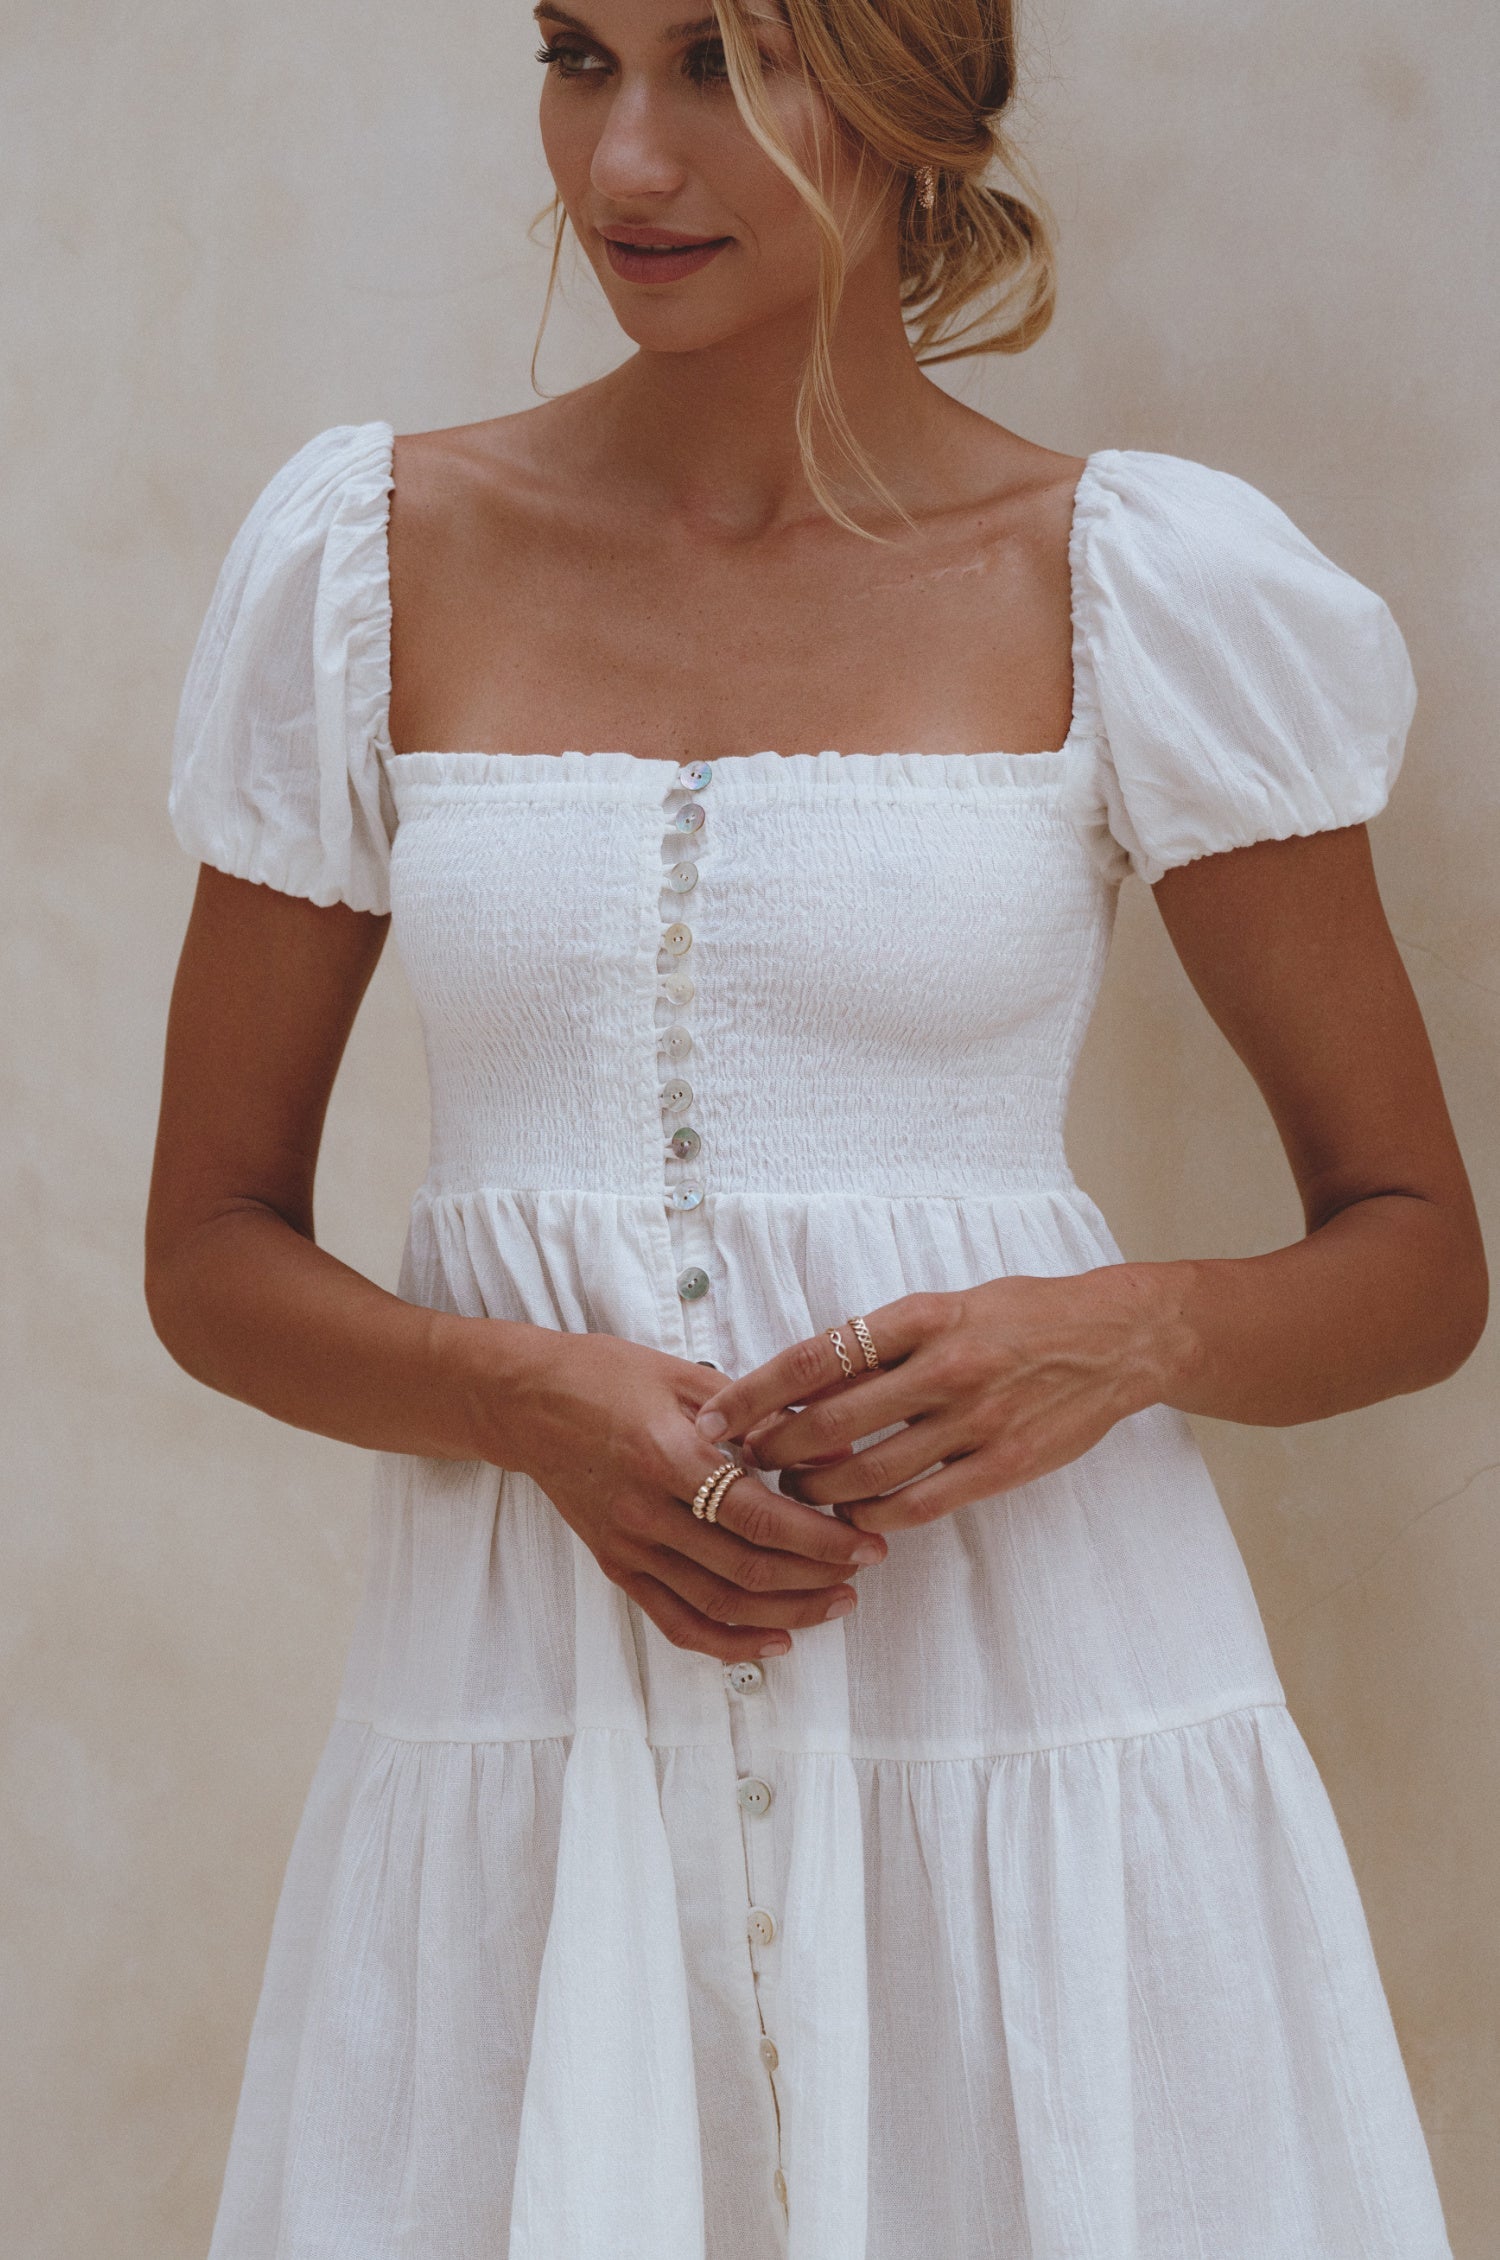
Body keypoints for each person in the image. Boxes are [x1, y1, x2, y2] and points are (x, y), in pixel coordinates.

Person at [146, 0, 1485, 2252]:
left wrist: (1121, 1334)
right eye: (578, 55)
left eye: (723, 60)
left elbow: (1417, 1250)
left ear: (903, 89)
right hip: (533, 1709)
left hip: (1036, 1718)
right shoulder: (370, 558)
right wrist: (523, 1396)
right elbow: (208, 1249)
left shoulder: (1129, 581)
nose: (626, 160)